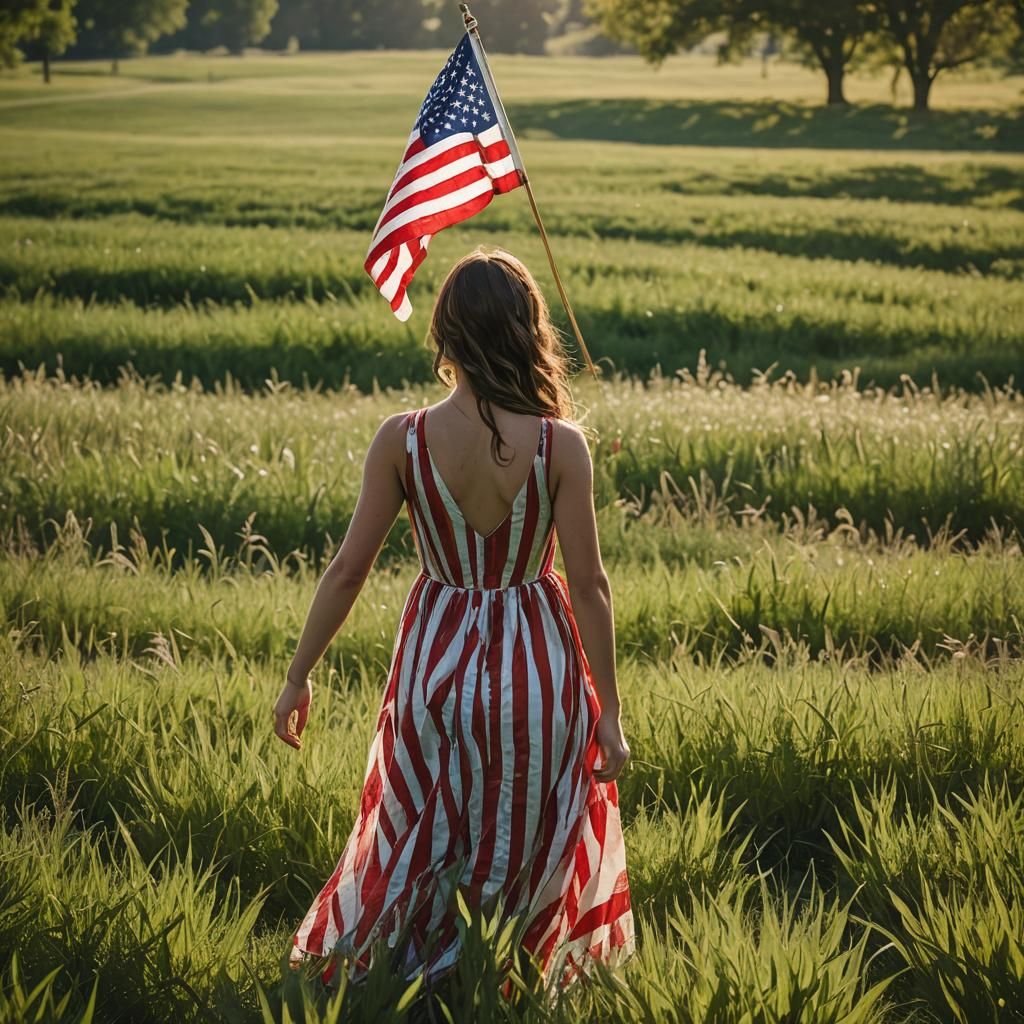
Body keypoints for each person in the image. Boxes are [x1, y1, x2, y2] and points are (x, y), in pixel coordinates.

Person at [274, 246, 635, 996]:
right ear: (527, 330)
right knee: (529, 839)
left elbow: (347, 570)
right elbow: (591, 585)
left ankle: (413, 983)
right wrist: (611, 714)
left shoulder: (401, 439)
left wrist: (297, 676)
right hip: (540, 670)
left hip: (433, 670)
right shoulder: (559, 444)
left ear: (445, 336)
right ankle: (497, 983)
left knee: (420, 837)